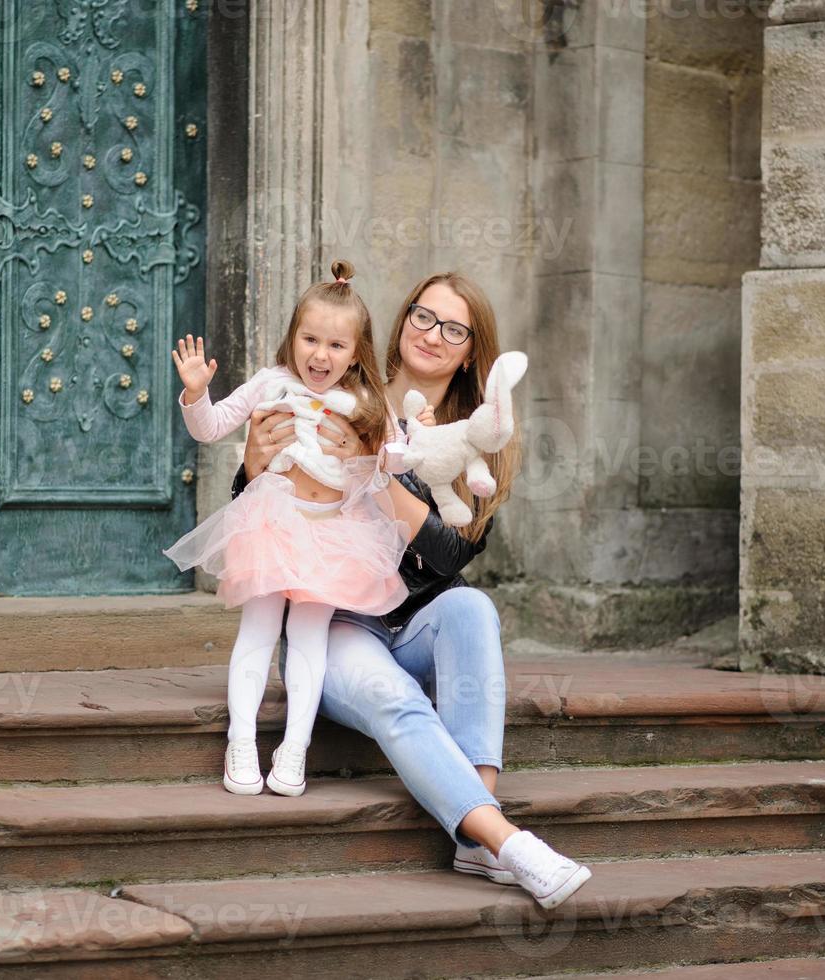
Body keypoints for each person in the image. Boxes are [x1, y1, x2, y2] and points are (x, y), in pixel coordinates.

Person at [230, 271, 594, 910]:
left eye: (455, 328)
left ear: (471, 350)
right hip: (335, 624)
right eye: (423, 317)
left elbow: (452, 552)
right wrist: (253, 464)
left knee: (473, 606)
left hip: (419, 623)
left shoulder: (477, 436)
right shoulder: (341, 390)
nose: (434, 334)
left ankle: (476, 841)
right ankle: (504, 840)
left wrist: (375, 468)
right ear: (400, 324)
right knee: (396, 700)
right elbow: (257, 516)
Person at [163, 260, 408, 798]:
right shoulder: (270, 383)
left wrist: (402, 447)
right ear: (293, 336)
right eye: (310, 338)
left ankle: (295, 746)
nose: (320, 355)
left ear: (357, 351)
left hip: (335, 532)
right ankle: (242, 740)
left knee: (308, 638)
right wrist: (196, 393)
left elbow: (391, 467)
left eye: (336, 346)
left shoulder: (369, 403)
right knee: (258, 630)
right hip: (274, 519)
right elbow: (210, 429)